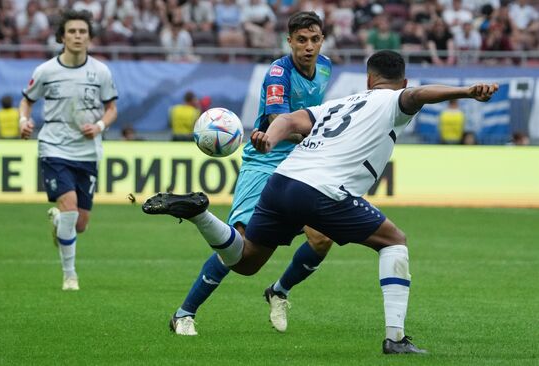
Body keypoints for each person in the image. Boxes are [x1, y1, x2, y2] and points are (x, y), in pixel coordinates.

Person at [142, 50, 498, 354]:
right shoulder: (394, 100)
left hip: (282, 180)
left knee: (247, 260)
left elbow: (292, 119)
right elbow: (418, 96)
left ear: (369, 79)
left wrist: (269, 136)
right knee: (394, 241)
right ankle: (396, 338)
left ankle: (202, 215)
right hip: (323, 190)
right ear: (400, 83)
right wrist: (467, 90)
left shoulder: (340, 103)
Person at [165, 11, 333, 336]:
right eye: (301, 40)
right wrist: (319, 134)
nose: (308, 47)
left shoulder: (325, 66)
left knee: (323, 237)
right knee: (239, 244)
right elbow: (278, 123)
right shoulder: (278, 73)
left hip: (303, 161)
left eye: (314, 39)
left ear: (322, 39)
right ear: (290, 42)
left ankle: (279, 291)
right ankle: (184, 313)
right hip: (266, 159)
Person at [19, 9, 118, 291]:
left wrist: (99, 125)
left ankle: (60, 221)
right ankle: (69, 275)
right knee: (71, 207)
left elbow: (112, 109)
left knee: (80, 224)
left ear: (89, 37)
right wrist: (23, 121)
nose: (77, 36)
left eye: (82, 32)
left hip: (87, 152)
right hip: (54, 147)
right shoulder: (46, 71)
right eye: (72, 31)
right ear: (62, 36)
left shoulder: (100, 71)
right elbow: (26, 101)